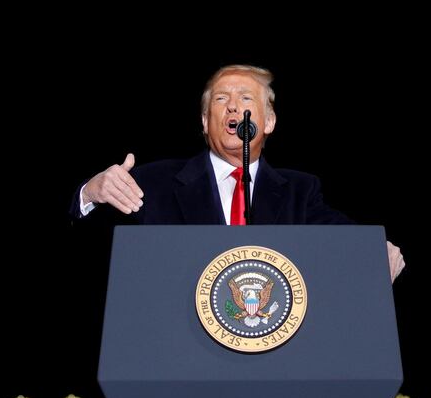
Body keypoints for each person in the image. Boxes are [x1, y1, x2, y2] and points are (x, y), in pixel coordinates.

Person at [71, 64, 405, 281]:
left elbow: (343, 241)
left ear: (270, 122)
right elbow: (92, 253)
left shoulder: (300, 192)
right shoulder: (153, 182)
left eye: (246, 97)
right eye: (221, 98)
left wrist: (375, 250)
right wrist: (91, 194)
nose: (233, 106)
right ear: (204, 122)